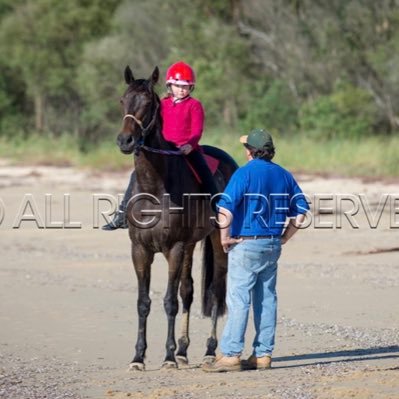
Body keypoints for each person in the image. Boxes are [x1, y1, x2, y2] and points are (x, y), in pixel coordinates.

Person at [203, 128, 309, 372]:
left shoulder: (243, 174)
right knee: (267, 299)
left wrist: (224, 238)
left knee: (239, 299)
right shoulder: (284, 174)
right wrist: (284, 237)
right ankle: (263, 355)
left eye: (245, 147)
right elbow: (301, 213)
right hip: (271, 243)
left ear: (250, 151)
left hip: (246, 242)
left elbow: (225, 210)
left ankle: (231, 355)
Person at [102, 61, 218, 230]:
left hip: (186, 150)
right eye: (177, 85)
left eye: (186, 86)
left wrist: (190, 145)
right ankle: (122, 215)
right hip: (164, 149)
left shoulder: (194, 105)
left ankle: (217, 210)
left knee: (204, 172)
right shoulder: (163, 104)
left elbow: (197, 131)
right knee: (135, 175)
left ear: (191, 88)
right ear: (170, 85)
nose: (181, 89)